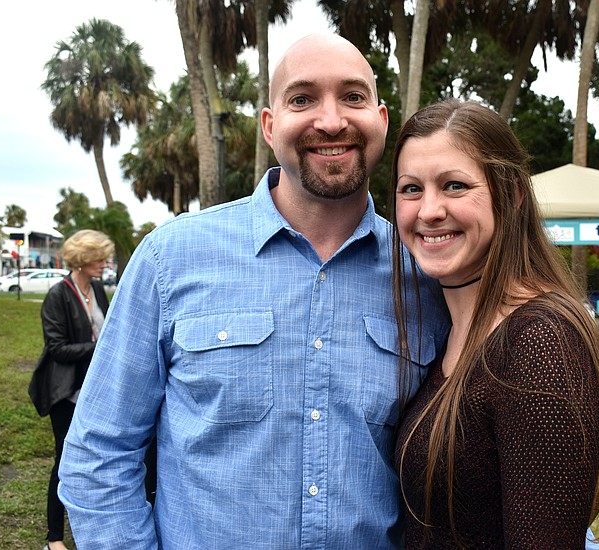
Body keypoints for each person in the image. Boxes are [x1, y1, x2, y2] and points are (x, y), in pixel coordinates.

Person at [58, 34, 448, 548]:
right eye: (302, 98)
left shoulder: (427, 275)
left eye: (352, 97)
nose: (331, 121)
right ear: (270, 126)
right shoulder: (171, 258)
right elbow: (98, 453)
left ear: (380, 120)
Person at [390, 100, 599, 548]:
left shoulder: (539, 340)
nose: (429, 210)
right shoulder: (449, 327)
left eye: (455, 185)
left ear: (512, 194)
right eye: (411, 189)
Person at [27, 229, 113, 550]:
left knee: (98, 459)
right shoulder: (58, 295)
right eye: (98, 258)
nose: (104, 263)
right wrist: (98, 346)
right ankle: (54, 538)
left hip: (95, 390)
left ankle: (92, 520)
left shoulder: (99, 289)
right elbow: (58, 349)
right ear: (81, 260)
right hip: (66, 393)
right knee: (64, 461)